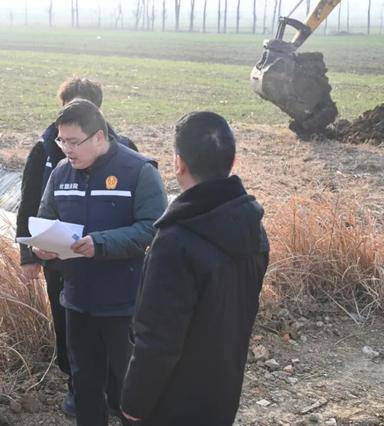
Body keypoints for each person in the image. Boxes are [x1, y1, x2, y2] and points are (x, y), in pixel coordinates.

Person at [120, 112, 271, 425]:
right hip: (223, 390)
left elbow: (157, 339)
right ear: (232, 160)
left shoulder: (175, 241)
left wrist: (134, 403)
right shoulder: (252, 227)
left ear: (179, 164)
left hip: (172, 402)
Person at [34, 99, 167, 426]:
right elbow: (45, 218)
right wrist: (43, 247)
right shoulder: (61, 174)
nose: (67, 150)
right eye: (61, 141)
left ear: (99, 137)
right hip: (77, 300)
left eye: (74, 142)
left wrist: (101, 243)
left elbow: (153, 228)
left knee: (129, 388)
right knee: (85, 384)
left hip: (124, 303)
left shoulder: (139, 171)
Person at [16, 77, 137, 416]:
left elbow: (143, 216)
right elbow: (29, 205)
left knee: (118, 331)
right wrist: (29, 254)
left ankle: (118, 392)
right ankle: (77, 386)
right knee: (67, 325)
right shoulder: (46, 151)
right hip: (63, 263)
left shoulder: (126, 150)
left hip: (114, 262)